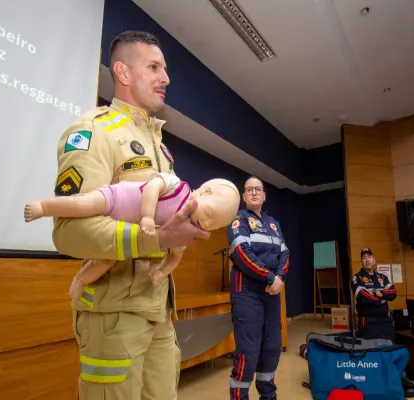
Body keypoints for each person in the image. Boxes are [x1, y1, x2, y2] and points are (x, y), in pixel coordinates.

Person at [51, 31, 210, 400]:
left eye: (164, 69)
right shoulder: (93, 131)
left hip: (158, 308)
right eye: (154, 67)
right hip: (113, 316)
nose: (165, 77)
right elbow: (68, 231)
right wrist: (157, 237)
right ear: (122, 72)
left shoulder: (160, 146)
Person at [25, 174, 239, 297]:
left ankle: (81, 280)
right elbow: (153, 186)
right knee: (83, 204)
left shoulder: (184, 231)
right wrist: (147, 216)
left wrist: (161, 273)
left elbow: (176, 256)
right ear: (205, 192)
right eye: (209, 214)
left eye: (214, 226)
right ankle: (44, 207)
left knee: (106, 259)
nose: (207, 224)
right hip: (115, 199)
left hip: (123, 229)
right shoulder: (178, 186)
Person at [227, 176, 290, 400]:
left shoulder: (273, 224)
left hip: (271, 293)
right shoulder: (238, 219)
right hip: (247, 294)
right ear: (244, 196)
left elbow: (285, 253)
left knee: (272, 346)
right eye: (249, 189)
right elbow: (242, 254)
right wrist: (270, 277)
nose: (254, 192)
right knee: (248, 350)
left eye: (258, 189)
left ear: (264, 195)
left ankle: (268, 396)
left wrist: (279, 277)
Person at [351, 248, 397, 342]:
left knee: (388, 348)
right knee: (369, 349)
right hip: (368, 323)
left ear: (374, 260)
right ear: (361, 261)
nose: (367, 260)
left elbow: (393, 292)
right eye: (364, 258)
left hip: (384, 322)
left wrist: (378, 293)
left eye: (369, 257)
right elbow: (363, 297)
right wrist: (381, 299)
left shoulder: (383, 277)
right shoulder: (357, 278)